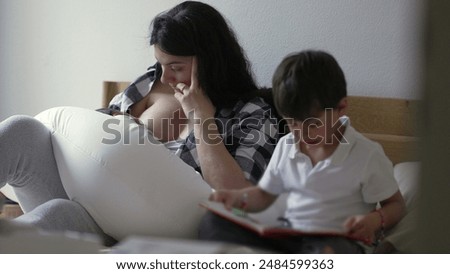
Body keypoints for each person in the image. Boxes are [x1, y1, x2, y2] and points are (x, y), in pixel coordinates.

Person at [0, 1, 280, 245]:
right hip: (88, 196)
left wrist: (202, 120)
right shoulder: (149, 83)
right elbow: (87, 140)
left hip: (141, 229)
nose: (166, 78)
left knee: (57, 216)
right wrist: (112, 121)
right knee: (21, 130)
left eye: (177, 67)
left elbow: (239, 199)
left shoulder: (251, 113)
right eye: (161, 64)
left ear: (210, 62)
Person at [200, 50, 406, 253]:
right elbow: (264, 195)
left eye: (313, 124)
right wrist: (235, 199)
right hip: (290, 237)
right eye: (292, 123)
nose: (302, 133)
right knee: (213, 222)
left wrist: (374, 220)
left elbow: (396, 205)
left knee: (329, 252)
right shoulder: (286, 145)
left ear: (341, 108)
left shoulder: (366, 155)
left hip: (338, 241)